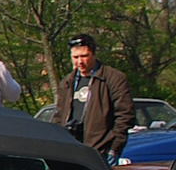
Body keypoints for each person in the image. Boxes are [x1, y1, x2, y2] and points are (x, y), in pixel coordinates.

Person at [51, 33, 136, 161]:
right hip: (71, 150)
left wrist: (114, 148)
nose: (80, 61)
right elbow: (59, 116)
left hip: (101, 151)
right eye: (75, 57)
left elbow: (125, 116)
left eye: (84, 56)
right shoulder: (68, 82)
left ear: (94, 55)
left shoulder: (113, 78)